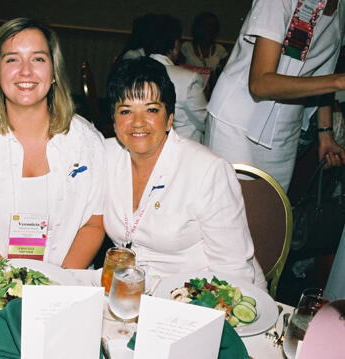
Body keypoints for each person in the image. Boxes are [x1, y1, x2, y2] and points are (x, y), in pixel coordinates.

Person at [0, 18, 105, 271]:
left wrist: (58, 284)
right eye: (12, 59)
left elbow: (94, 224)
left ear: (53, 72)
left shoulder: (88, 141)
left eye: (38, 59)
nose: (26, 71)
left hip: (67, 280)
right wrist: (9, 286)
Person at [104, 57, 265, 287]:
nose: (138, 122)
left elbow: (233, 270)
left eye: (151, 109)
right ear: (114, 120)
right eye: (126, 111)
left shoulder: (207, 172)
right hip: (135, 289)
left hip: (202, 290)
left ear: (169, 119)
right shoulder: (106, 156)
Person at [205, 0, 345, 191]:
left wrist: (325, 133)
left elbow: (321, 75)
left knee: (271, 214)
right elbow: (260, 83)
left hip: (285, 128)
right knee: (229, 211)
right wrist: (338, 82)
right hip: (238, 121)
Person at [147, 14, 208, 142]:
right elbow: (206, 123)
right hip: (185, 151)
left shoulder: (132, 71)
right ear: (175, 44)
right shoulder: (187, 79)